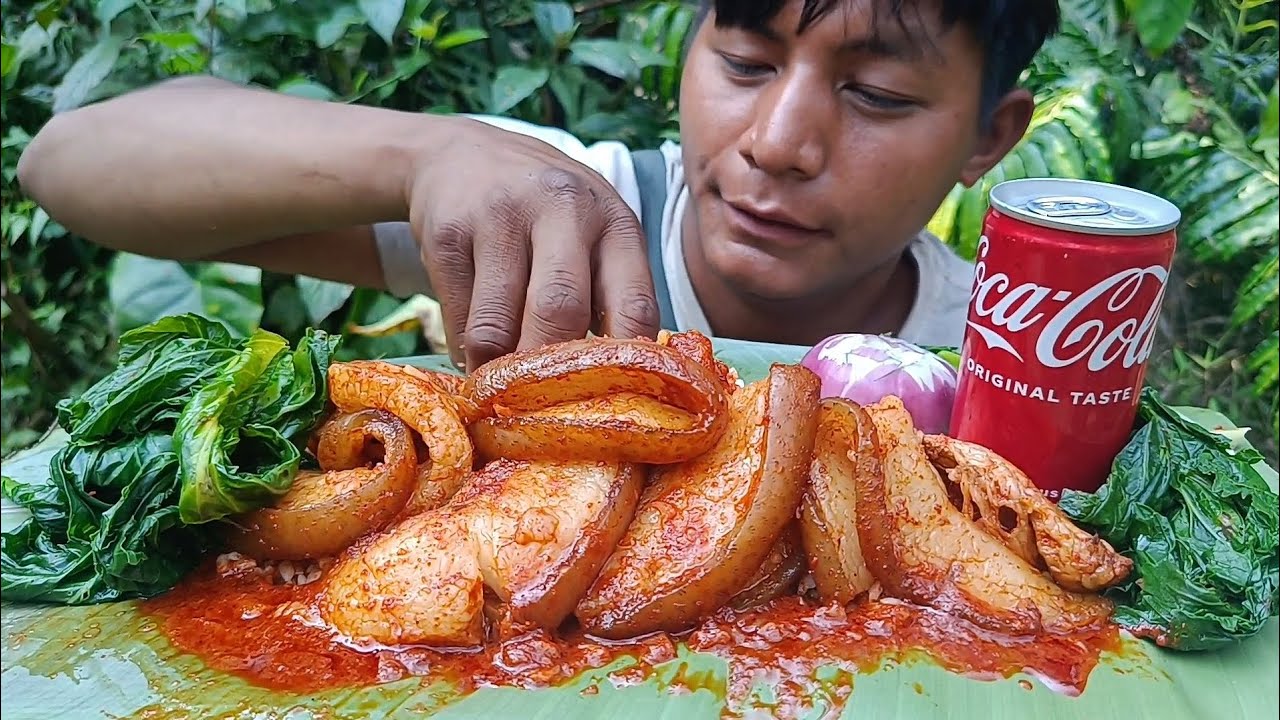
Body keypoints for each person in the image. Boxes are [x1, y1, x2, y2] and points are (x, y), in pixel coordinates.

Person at [16, 0, 1059, 372]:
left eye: (876, 95)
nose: (777, 144)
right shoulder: (562, 207)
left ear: (988, 137)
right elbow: (70, 162)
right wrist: (422, 156)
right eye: (744, 64)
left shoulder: (1012, 355)